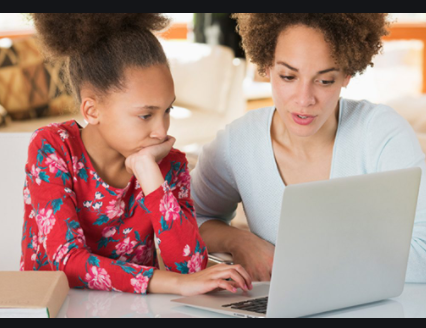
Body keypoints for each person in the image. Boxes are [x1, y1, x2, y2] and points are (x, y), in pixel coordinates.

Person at [192, 13, 426, 283]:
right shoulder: (237, 144)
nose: (304, 99)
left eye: (325, 80)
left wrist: (310, 267)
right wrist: (240, 241)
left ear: (347, 75)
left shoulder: (379, 133)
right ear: (267, 67)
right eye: (288, 76)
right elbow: (185, 221)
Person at [20, 13, 252, 296]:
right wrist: (175, 284)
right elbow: (66, 261)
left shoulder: (168, 163)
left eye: (168, 110)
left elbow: (191, 270)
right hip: (54, 309)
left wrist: (150, 176)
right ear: (92, 111)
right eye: (145, 115)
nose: (161, 130)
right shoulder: (53, 147)